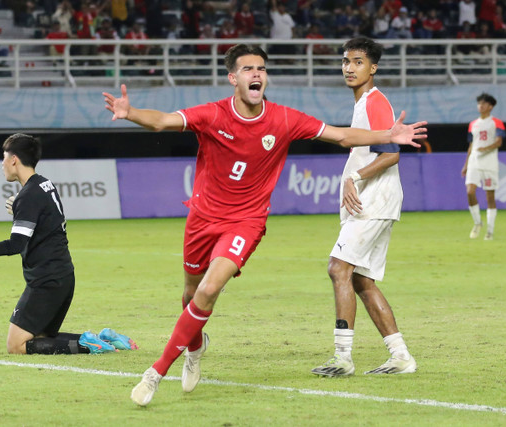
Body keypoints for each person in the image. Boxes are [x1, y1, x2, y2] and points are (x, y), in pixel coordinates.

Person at [102, 43, 427, 406]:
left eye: (261, 68)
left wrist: (388, 136)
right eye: (248, 69)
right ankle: (195, 346)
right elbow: (162, 121)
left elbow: (341, 135)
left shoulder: (284, 119)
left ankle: (155, 373)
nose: (256, 74)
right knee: (191, 294)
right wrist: (131, 113)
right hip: (203, 217)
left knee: (210, 290)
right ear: (233, 78)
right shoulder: (212, 115)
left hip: (246, 221)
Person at [0, 133, 138, 355]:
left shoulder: (28, 196)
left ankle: (87, 344)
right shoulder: (44, 184)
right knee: (40, 338)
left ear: (14, 159)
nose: (2, 164)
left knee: (16, 346)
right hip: (62, 276)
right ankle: (105, 339)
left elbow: (16, 244)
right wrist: (18, 209)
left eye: (4, 158)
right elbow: (45, 220)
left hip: (46, 281)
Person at [311, 36, 417, 379]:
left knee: (337, 268)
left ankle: (342, 356)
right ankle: (401, 356)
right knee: (362, 280)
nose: (349, 68)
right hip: (373, 201)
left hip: (375, 200)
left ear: (373, 67)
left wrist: (352, 177)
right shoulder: (362, 104)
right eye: (345, 61)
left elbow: (391, 152)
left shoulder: (374, 101)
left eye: (358, 62)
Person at [461, 93, 505, 240]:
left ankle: (490, 231)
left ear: (490, 107)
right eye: (479, 103)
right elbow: (471, 145)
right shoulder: (473, 124)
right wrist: (466, 164)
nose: (481, 106)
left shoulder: (496, 122)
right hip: (474, 161)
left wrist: (485, 149)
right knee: (470, 192)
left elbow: (499, 142)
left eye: (484, 104)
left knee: (490, 197)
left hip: (489, 163)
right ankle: (478, 222)